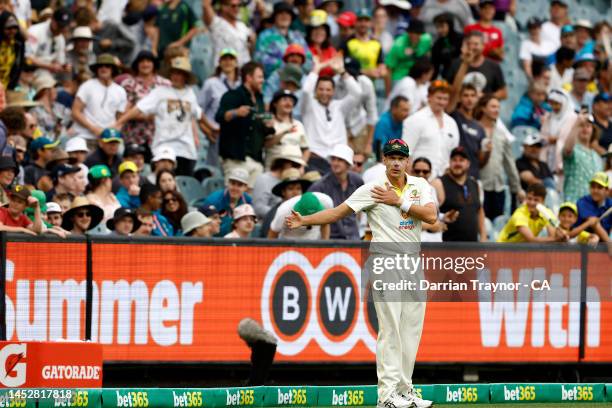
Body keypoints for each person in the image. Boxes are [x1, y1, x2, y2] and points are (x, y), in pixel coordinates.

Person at [286, 138, 436, 408]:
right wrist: (304, 220)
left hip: (413, 262)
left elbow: (431, 216)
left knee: (411, 329)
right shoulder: (373, 189)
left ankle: (404, 389)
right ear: (384, 160)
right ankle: (387, 395)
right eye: (391, 157)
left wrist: (399, 202)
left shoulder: (420, 185)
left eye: (400, 158)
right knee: (391, 329)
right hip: (385, 260)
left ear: (407, 161)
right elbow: (337, 213)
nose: (396, 162)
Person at [117, 57, 204, 176]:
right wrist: (118, 123)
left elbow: (197, 115)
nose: (176, 77)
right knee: (162, 182)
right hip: (163, 147)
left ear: (186, 76)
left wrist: (210, 130)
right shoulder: (160, 92)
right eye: (173, 73)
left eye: (179, 74)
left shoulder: (191, 94)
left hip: (186, 150)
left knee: (184, 185)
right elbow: (138, 108)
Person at [216, 61, 275, 188]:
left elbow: (262, 130)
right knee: (234, 198)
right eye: (259, 77)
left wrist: (269, 126)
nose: (262, 80)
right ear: (248, 77)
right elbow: (220, 116)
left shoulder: (260, 100)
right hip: (236, 158)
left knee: (251, 204)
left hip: (256, 159)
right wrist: (236, 112)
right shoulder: (233, 95)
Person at [300, 56, 361, 174]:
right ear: (316, 91)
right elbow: (306, 91)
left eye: (328, 90)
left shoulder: (340, 106)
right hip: (315, 159)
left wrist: (342, 72)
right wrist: (316, 70)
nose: (324, 93)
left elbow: (357, 93)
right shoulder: (308, 107)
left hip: (339, 159)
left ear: (333, 91)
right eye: (321, 89)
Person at [476, 95, 522, 220]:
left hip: (498, 188)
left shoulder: (502, 133)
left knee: (497, 224)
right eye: (493, 106)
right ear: (483, 109)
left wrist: (517, 188)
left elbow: (509, 162)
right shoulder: (475, 129)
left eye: (498, 107)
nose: (496, 110)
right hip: (479, 186)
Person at [402, 80, 459, 178]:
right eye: (439, 98)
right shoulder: (415, 119)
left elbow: (454, 154)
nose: (442, 102)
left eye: (445, 99)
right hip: (419, 178)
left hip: (444, 181)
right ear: (429, 97)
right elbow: (405, 154)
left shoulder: (452, 123)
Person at [431, 146, 486, 242]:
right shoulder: (438, 183)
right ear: (449, 162)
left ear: (468, 163)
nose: (457, 163)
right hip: (447, 247)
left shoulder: (474, 183)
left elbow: (479, 211)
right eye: (454, 160)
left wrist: (483, 237)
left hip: (472, 247)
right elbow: (428, 214)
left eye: (461, 160)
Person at [71, 54, 127, 146]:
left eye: (107, 66)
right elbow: (75, 112)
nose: (103, 68)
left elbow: (120, 118)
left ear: (113, 69)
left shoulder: (120, 91)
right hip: (85, 136)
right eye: (100, 66)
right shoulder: (87, 86)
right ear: (96, 69)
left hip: (109, 139)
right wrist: (93, 128)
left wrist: (112, 132)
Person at [309, 144, 363, 240]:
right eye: (333, 159)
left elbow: (361, 208)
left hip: (354, 238)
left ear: (348, 164)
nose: (335, 163)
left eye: (340, 160)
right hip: (331, 241)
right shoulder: (320, 186)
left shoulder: (357, 180)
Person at [118, 50, 171, 147]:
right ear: (137, 64)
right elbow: (124, 111)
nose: (145, 64)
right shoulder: (129, 84)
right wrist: (149, 116)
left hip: (159, 137)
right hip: (133, 136)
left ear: (154, 64)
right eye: (141, 61)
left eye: (148, 61)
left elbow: (170, 110)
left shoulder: (165, 84)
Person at [197, 48, 240, 168]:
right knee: (215, 169)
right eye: (224, 59)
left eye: (231, 59)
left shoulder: (240, 84)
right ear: (219, 62)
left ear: (236, 62)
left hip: (236, 136)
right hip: (217, 134)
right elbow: (198, 110)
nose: (228, 62)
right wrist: (207, 131)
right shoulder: (211, 83)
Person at [254, 2, 312, 77]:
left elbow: (309, 58)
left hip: (298, 79)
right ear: (274, 17)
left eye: (287, 14)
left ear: (291, 18)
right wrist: (286, 65)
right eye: (280, 13)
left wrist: (298, 67)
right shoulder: (265, 36)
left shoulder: (298, 36)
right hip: (274, 80)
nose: (284, 16)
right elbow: (259, 59)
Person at [445, 30, 507, 100]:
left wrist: (484, 97)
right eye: (469, 44)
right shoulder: (455, 64)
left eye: (476, 44)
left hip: (483, 108)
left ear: (483, 46)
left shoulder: (493, 66)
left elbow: (503, 93)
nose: (472, 47)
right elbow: (447, 88)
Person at [497, 183, 567, 243]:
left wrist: (561, 236)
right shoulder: (519, 214)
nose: (531, 202)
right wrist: (556, 239)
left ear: (543, 201)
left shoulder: (547, 213)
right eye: (529, 198)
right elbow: (531, 239)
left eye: (536, 200)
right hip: (503, 248)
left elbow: (552, 236)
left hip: (523, 250)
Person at [253, 145, 305, 219]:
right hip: (267, 224)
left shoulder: (292, 180)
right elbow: (259, 208)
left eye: (298, 166)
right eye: (295, 165)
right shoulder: (264, 179)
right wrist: (283, 215)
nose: (296, 168)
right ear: (285, 163)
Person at [340, 57, 378, 155]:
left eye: (352, 74)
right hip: (340, 127)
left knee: (359, 160)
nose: (350, 77)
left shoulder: (366, 83)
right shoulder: (335, 83)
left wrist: (369, 143)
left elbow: (372, 113)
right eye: (347, 73)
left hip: (359, 125)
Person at [562, 112, 603, 203]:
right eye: (581, 126)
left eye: (588, 126)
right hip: (573, 204)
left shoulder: (597, 157)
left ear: (593, 130)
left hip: (591, 207)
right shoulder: (573, 149)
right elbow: (567, 149)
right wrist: (576, 124)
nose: (585, 129)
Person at [450, 83, 487, 179]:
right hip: (454, 172)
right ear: (459, 98)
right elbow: (454, 92)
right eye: (466, 95)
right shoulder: (453, 116)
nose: (469, 99)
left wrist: (488, 151)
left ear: (477, 99)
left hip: (473, 175)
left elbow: (481, 161)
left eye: (473, 95)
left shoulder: (479, 127)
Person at [201, 167, 252, 236]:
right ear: (228, 183)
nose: (235, 188)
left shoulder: (248, 201)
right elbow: (204, 228)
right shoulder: (213, 201)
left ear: (246, 187)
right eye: (233, 183)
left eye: (240, 185)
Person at [265, 90, 308, 170]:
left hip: (295, 168)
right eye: (284, 99)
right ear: (275, 104)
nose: (288, 103)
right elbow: (267, 144)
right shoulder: (269, 122)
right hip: (275, 168)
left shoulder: (298, 124)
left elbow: (306, 149)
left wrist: (302, 166)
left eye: (291, 101)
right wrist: (285, 132)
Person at [262, 167, 311, 237]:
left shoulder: (308, 210)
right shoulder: (274, 213)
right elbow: (267, 240)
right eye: (290, 188)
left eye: (298, 188)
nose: (295, 192)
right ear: (283, 192)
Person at [202, 0, 253, 66]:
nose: (237, 9)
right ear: (224, 7)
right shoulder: (216, 23)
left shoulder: (242, 25)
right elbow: (206, 5)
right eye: (233, 6)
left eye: (239, 6)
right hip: (224, 69)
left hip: (243, 69)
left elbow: (249, 46)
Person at [343, 9, 386, 81]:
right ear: (355, 22)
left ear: (371, 23)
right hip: (354, 84)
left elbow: (380, 63)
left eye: (366, 21)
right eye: (360, 20)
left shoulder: (376, 43)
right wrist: (365, 72)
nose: (363, 24)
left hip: (373, 84)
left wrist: (381, 70)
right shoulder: (347, 42)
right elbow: (343, 66)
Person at [540, 88, 576, 174]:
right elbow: (542, 136)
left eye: (557, 104)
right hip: (549, 155)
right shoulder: (548, 117)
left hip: (564, 158)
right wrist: (548, 139)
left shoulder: (573, 118)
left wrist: (557, 139)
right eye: (552, 104)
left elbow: (573, 138)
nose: (554, 107)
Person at [26, 7, 71, 75]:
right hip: (30, 71)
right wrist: (50, 66)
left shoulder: (60, 38)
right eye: (59, 26)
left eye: (63, 27)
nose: (60, 29)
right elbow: (28, 58)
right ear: (52, 20)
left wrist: (64, 67)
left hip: (50, 73)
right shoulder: (35, 31)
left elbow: (60, 61)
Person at [30, 73, 71, 139]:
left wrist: (67, 131)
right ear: (46, 91)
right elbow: (36, 135)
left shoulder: (59, 107)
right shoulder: (34, 111)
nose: (56, 90)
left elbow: (73, 117)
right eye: (54, 87)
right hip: (47, 146)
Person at [575, 172, 611, 242]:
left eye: (599, 187)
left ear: (607, 190)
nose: (595, 190)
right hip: (582, 243)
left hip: (603, 244)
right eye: (593, 186)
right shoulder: (583, 202)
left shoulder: (610, 203)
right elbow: (595, 224)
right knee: (594, 239)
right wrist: (610, 245)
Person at [431, 12, 462, 79]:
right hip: (446, 76)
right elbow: (435, 65)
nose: (439, 30)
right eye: (437, 27)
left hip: (461, 73)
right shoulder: (437, 44)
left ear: (450, 25)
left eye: (442, 26)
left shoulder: (461, 39)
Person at [306, 10, 337, 77]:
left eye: (322, 29)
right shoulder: (305, 49)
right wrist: (329, 63)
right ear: (309, 32)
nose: (318, 32)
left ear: (326, 32)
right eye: (315, 29)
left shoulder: (330, 49)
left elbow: (337, 68)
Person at [0, 12, 26, 90]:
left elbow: (18, 67)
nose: (12, 31)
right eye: (8, 28)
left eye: (15, 28)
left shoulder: (18, 45)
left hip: (8, 86)